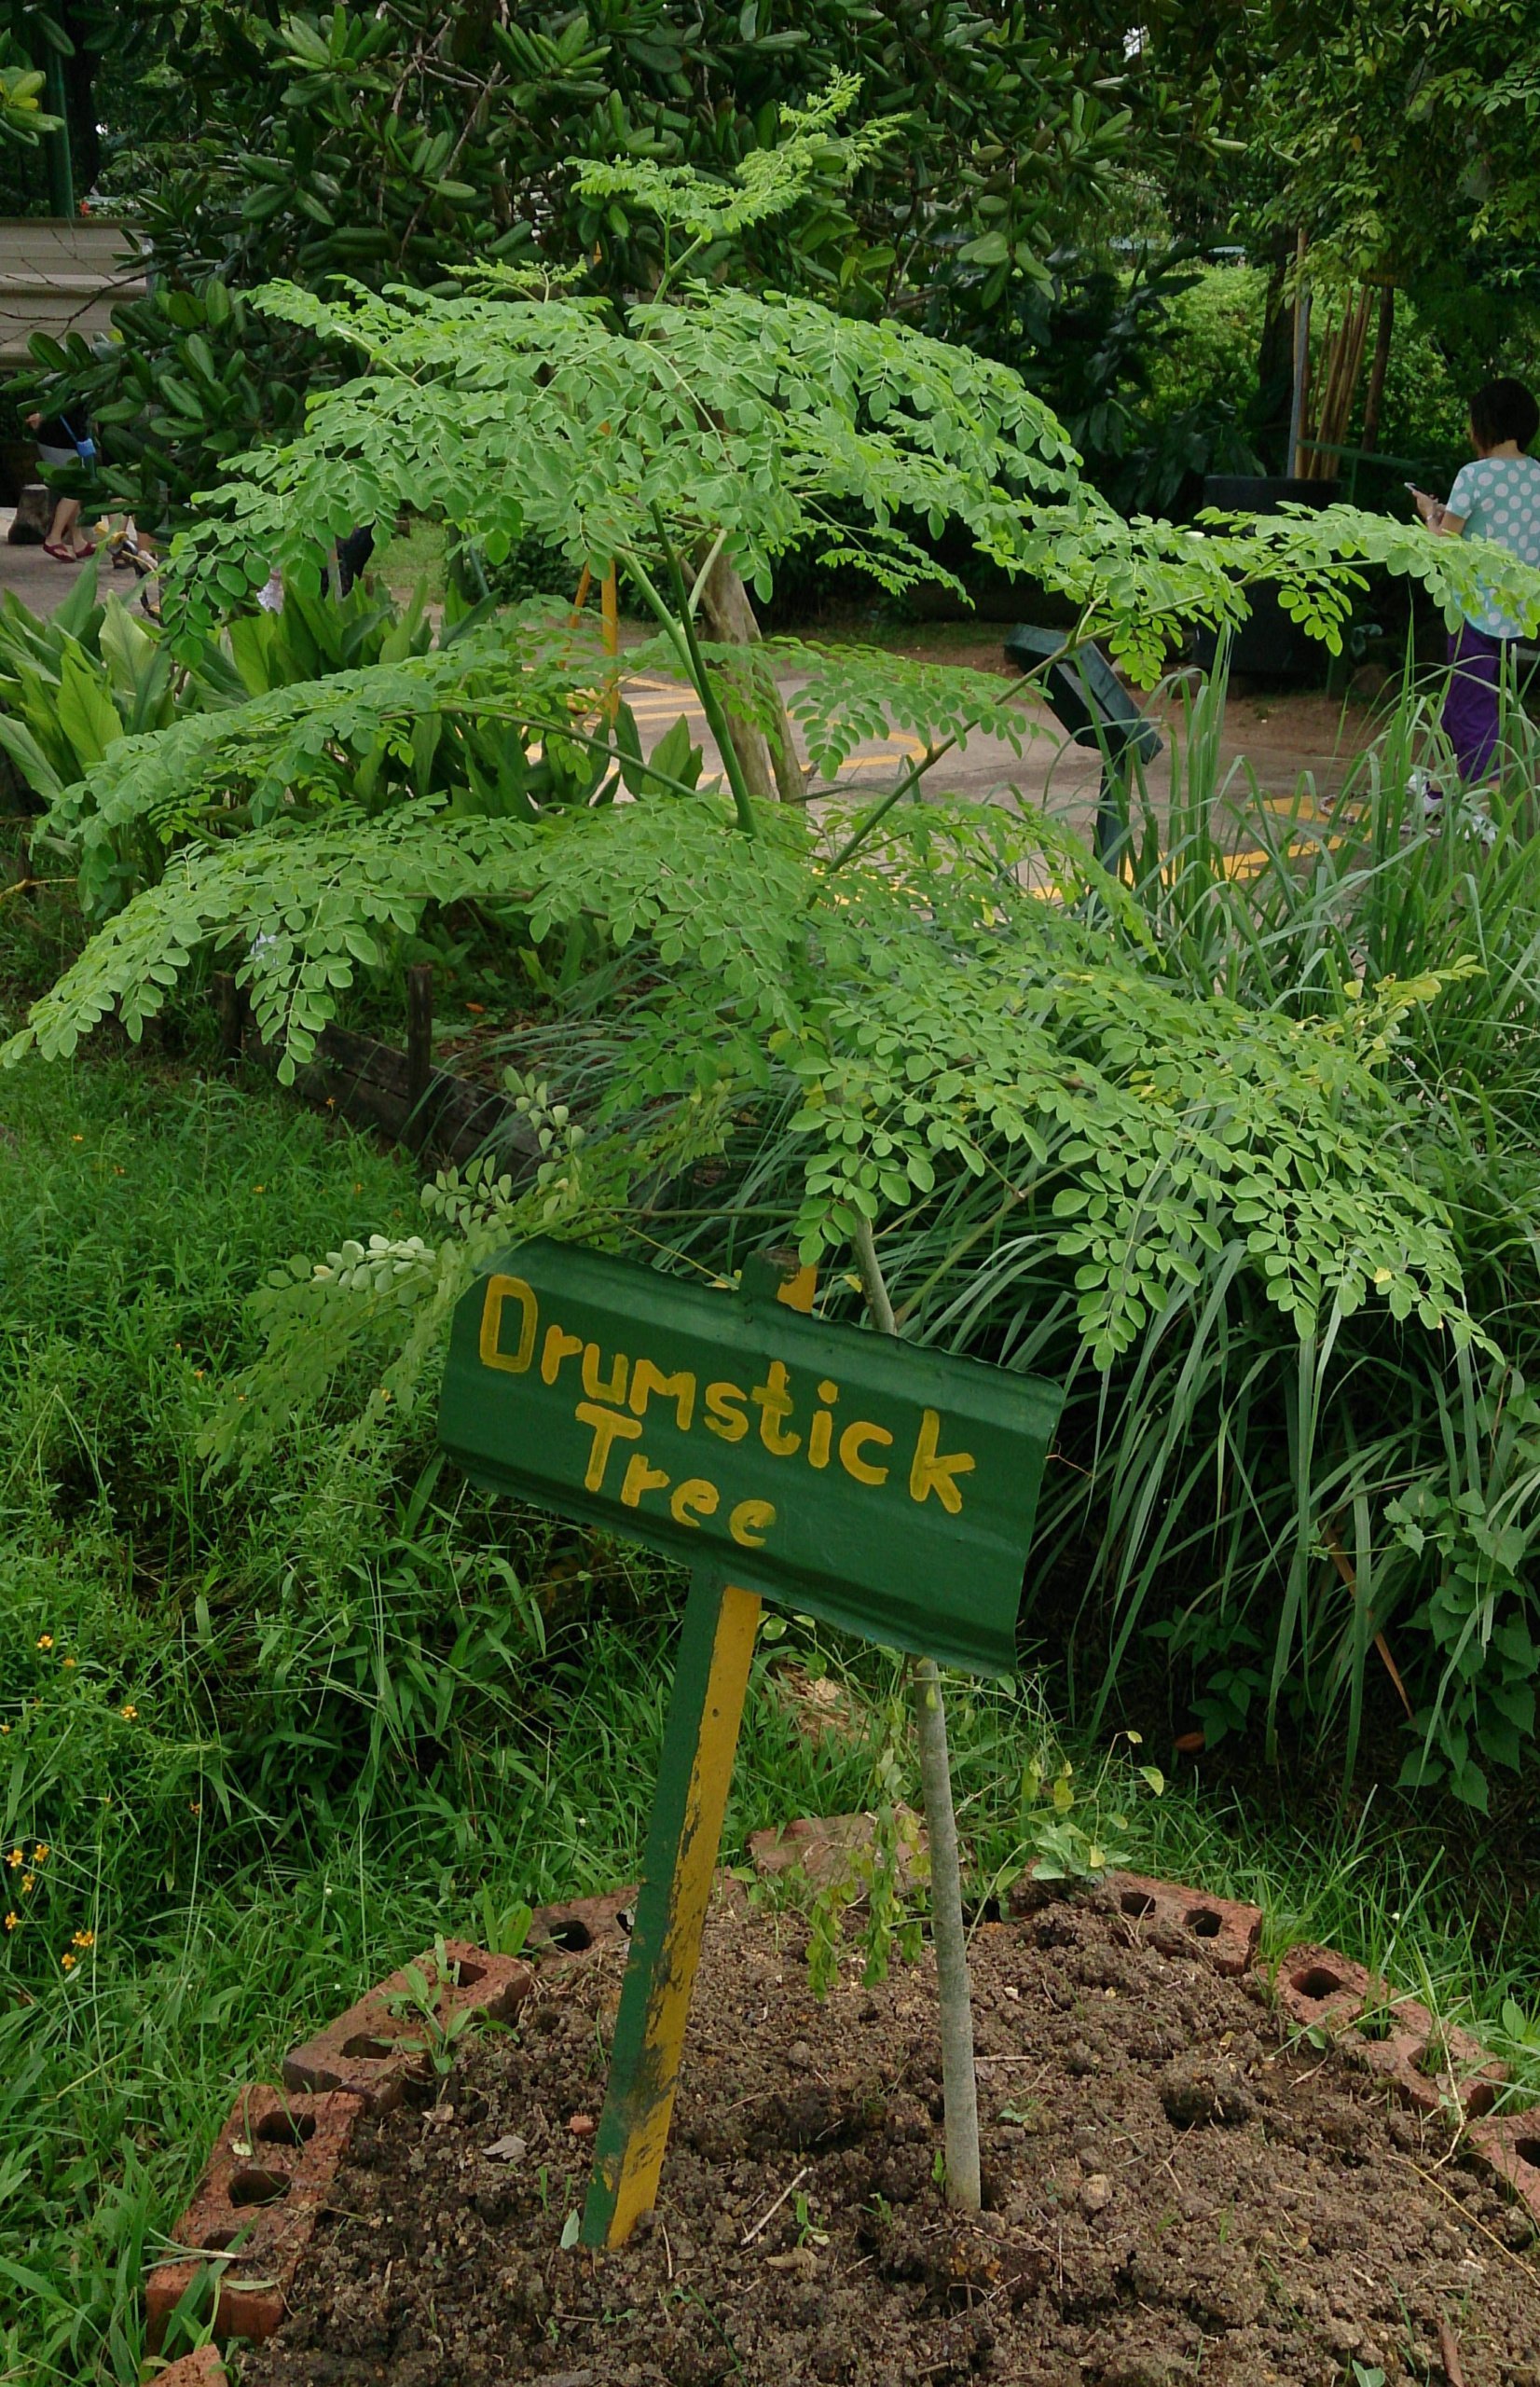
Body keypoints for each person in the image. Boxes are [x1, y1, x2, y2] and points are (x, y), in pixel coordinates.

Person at [1411, 377, 1540, 798]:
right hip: (1527, 617)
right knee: (1459, 704)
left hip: (1477, 616)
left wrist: (1430, 515)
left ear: (1484, 422)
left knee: (1472, 710)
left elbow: (1444, 549)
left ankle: (1484, 811)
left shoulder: (1473, 476)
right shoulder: (1537, 475)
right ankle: (1436, 788)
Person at [22, 407, 96, 562]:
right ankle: (54, 537)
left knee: (71, 489)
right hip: (61, 440)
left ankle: (78, 540)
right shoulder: (71, 388)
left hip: (63, 438)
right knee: (76, 489)